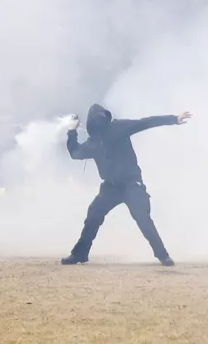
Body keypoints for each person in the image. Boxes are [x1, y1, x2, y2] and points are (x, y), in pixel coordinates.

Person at [61, 104, 192, 266]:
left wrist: (174, 119)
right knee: (93, 215)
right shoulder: (93, 143)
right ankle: (80, 254)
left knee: (142, 217)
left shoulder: (118, 127)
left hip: (131, 184)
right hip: (110, 187)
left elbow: (144, 123)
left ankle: (163, 255)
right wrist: (72, 132)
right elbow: (75, 153)